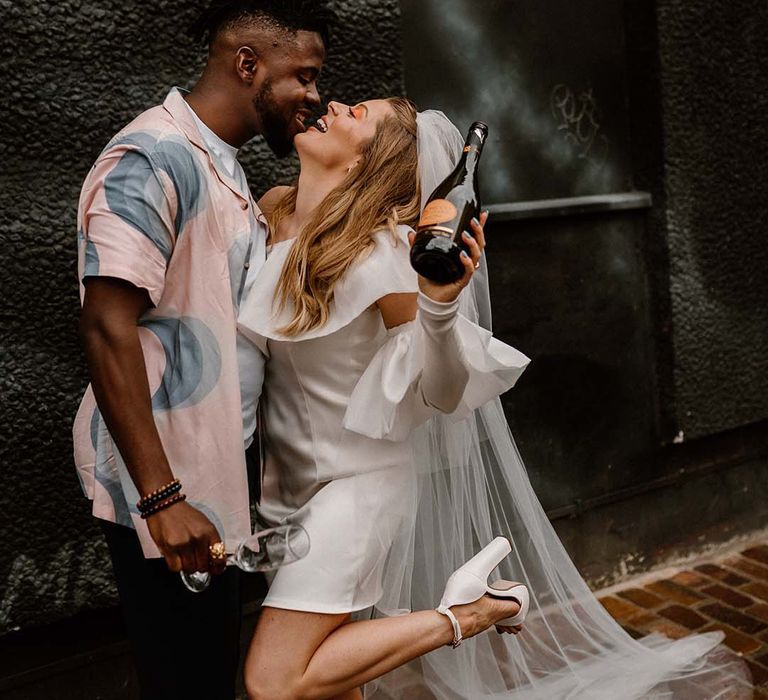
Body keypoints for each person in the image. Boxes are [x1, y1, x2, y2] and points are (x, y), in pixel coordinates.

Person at [237, 100, 752, 699]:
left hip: (355, 493)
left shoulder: (384, 254)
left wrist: (439, 307)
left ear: (366, 161)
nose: (332, 104)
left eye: (356, 112)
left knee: (275, 681)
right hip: (289, 492)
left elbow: (442, 391)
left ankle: (473, 612)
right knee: (330, 678)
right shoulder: (271, 215)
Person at [73, 2, 333, 697]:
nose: (314, 95)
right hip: (169, 478)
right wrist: (162, 497)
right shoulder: (152, 157)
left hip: (218, 467)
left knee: (207, 667)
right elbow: (106, 326)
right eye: (302, 76)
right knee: (184, 675)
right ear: (248, 64)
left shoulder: (221, 165)